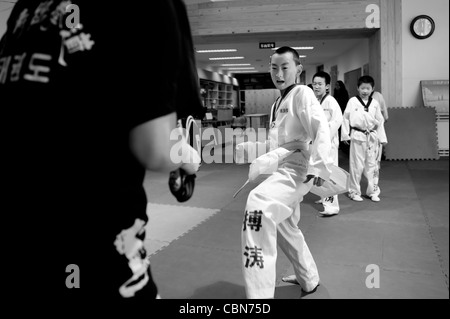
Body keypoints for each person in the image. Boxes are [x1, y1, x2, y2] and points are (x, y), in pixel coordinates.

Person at [0, 0, 202, 305]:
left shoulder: (26, 7)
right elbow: (156, 148)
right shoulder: (150, 6)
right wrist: (189, 158)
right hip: (92, 245)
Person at [239, 47, 333, 299]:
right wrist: (252, 148)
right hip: (283, 167)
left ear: (299, 70)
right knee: (285, 227)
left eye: (285, 67)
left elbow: (320, 128)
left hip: (296, 170)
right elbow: (280, 143)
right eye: (273, 68)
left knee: (257, 205)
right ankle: (308, 278)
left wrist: (320, 166)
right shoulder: (279, 101)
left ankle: (259, 297)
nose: (278, 73)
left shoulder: (302, 93)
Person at [341, 76, 388, 202]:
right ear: (358, 88)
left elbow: (380, 121)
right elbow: (345, 117)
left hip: (372, 137)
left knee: (372, 165)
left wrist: (382, 138)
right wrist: (345, 134)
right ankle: (354, 191)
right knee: (356, 165)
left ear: (373, 89)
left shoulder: (375, 103)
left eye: (368, 88)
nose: (365, 91)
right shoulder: (352, 101)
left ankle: (372, 191)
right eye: (362, 88)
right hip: (357, 136)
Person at [311, 71, 343, 216]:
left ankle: (332, 207)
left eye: (320, 84)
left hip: (328, 144)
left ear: (327, 86)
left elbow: (337, 121)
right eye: (314, 84)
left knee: (329, 172)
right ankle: (324, 197)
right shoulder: (315, 101)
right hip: (318, 143)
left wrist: (323, 136)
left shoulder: (331, 101)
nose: (316, 87)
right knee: (319, 171)